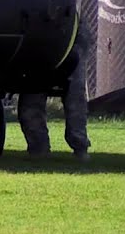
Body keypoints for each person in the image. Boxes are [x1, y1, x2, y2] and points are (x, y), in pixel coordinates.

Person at [18, 25, 91, 160]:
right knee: (32, 96)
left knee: (75, 97)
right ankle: (38, 148)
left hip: (70, 37)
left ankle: (80, 146)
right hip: (38, 40)